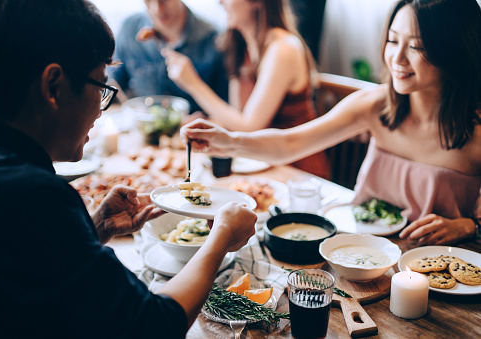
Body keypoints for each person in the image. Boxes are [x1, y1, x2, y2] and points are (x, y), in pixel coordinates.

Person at [0, 1, 256, 338]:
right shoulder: (35, 197)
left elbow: (34, 266)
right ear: (54, 87)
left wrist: (92, 230)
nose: (101, 111)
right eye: (101, 87)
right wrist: (221, 236)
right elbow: (152, 325)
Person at [181, 0, 481, 246]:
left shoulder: (476, 131)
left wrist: (469, 226)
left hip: (444, 271)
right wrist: (227, 141)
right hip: (358, 250)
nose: (397, 58)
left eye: (416, 46)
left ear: (454, 49)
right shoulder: (375, 105)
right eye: (392, 41)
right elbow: (291, 143)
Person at [164, 0, 331, 179]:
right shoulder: (241, 45)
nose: (219, 2)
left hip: (297, 171)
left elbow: (249, 127)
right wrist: (209, 123)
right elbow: (237, 119)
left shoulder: (283, 49)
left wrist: (193, 84)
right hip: (261, 161)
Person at [108, 0, 229, 116]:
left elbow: (227, 110)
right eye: (148, 0)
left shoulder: (214, 41)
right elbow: (113, 87)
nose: (157, 9)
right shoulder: (129, 30)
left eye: (164, 0)